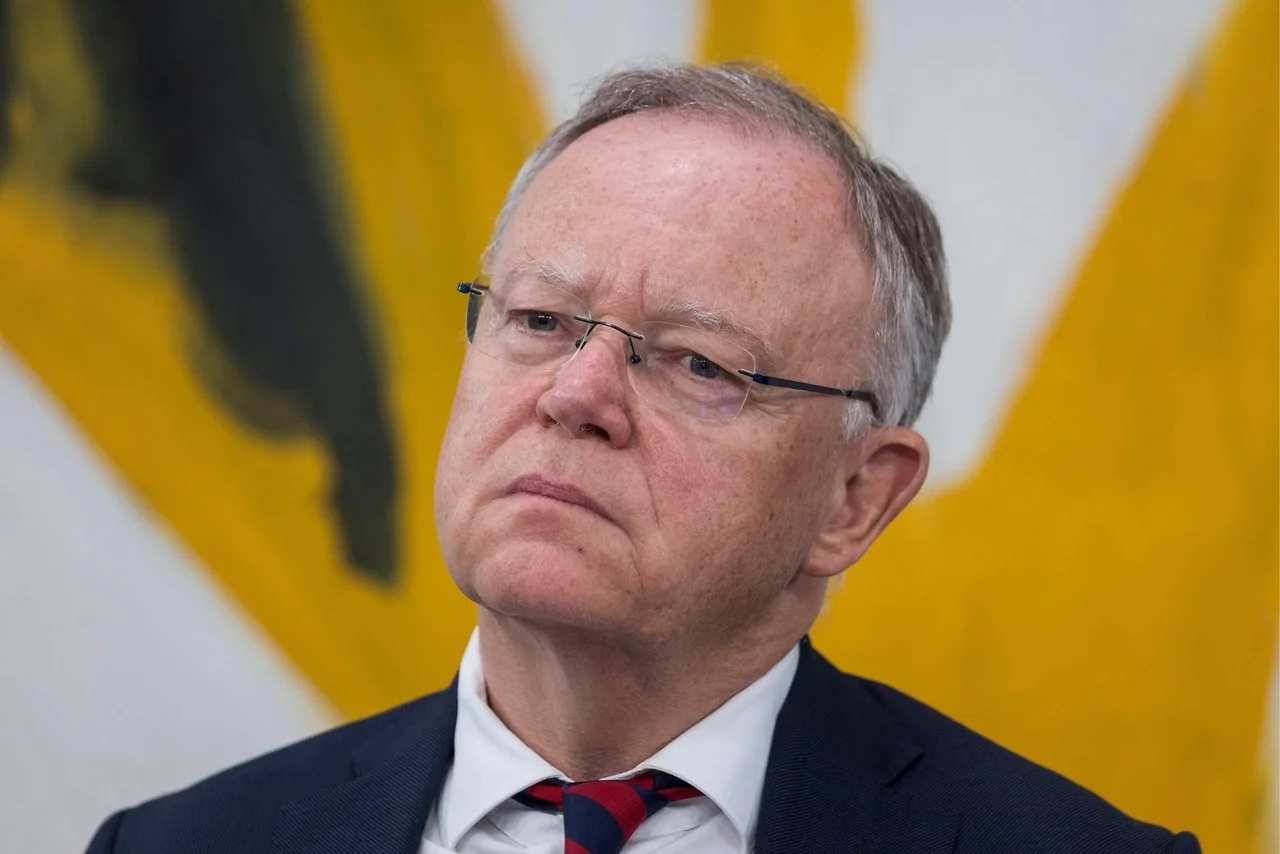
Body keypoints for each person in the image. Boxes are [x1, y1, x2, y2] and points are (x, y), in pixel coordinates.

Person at [86, 62, 1200, 854]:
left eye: (700, 363)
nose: (575, 396)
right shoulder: (178, 842)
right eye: (537, 320)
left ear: (852, 497)